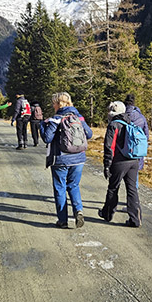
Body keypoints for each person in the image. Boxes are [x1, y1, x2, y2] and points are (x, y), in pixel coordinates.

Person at [40, 92, 93, 229]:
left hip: (61, 158)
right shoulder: (78, 117)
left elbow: (47, 138)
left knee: (60, 188)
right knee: (73, 186)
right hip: (79, 158)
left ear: (59, 104)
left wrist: (42, 125)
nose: (53, 105)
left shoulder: (57, 118)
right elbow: (90, 134)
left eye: (54, 103)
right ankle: (78, 210)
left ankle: (62, 220)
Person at [99, 101, 142, 228]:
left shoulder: (113, 125)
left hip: (119, 162)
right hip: (134, 160)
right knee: (132, 189)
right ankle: (136, 219)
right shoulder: (130, 121)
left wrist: (107, 165)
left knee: (113, 187)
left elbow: (109, 147)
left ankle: (107, 214)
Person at [123, 94, 149, 171]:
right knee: (133, 179)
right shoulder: (141, 117)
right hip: (137, 151)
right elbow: (146, 135)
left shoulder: (121, 116)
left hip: (123, 151)